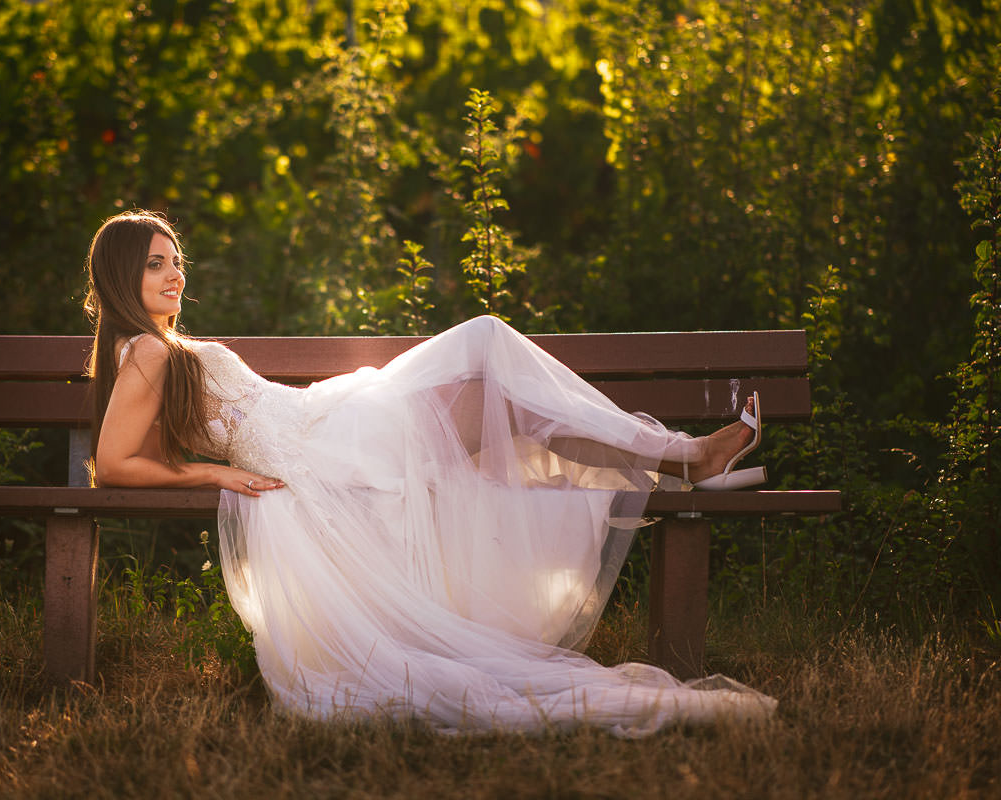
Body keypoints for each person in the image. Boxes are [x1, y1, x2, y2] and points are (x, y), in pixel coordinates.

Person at [86, 210, 775, 738]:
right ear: (122, 276)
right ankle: (687, 458)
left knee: (499, 382)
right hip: (328, 451)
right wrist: (220, 478)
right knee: (488, 353)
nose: (175, 275)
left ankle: (685, 459)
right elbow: (115, 464)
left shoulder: (155, 346)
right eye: (155, 265)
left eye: (176, 262)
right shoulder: (146, 350)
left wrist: (215, 468)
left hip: (332, 428)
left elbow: (140, 448)